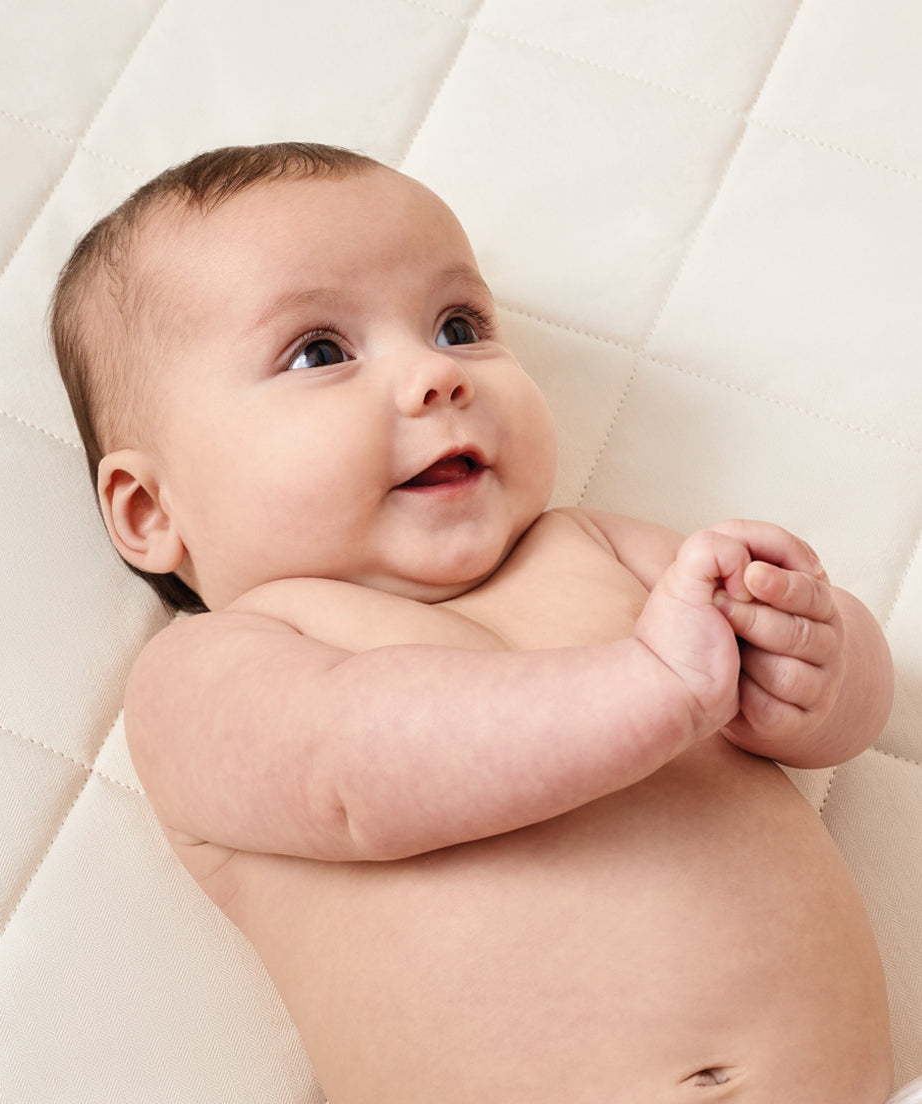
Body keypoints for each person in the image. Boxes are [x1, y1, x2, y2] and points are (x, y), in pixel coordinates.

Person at [51, 142, 912, 1103]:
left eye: (459, 326)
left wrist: (818, 666)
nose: (435, 374)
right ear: (148, 511)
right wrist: (651, 689)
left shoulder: (597, 549)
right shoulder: (212, 669)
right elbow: (358, 773)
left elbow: (851, 722)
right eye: (321, 352)